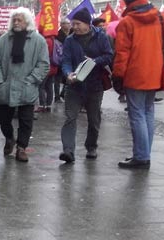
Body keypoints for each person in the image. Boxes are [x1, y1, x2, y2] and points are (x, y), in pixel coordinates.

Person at [0, 7, 49, 162]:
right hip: (5, 87)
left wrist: (32, 80)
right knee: (3, 119)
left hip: (27, 87)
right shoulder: (3, 40)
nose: (16, 22)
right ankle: (9, 138)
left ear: (27, 22)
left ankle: (21, 148)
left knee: (26, 120)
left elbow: (43, 64)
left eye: (19, 20)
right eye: (14, 20)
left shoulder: (38, 41)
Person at [112, 0, 164, 169]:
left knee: (137, 114)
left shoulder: (127, 22)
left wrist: (118, 76)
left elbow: (122, 53)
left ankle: (141, 156)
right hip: (155, 71)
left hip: (135, 73)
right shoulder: (160, 17)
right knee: (148, 112)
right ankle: (144, 153)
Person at [58, 9, 113, 163]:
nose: (74, 27)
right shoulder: (70, 40)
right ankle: (68, 150)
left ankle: (91, 146)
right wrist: (68, 73)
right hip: (74, 86)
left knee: (94, 119)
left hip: (95, 85)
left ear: (87, 24)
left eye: (77, 24)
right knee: (70, 117)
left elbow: (109, 55)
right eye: (72, 24)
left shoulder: (100, 37)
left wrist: (95, 61)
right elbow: (66, 60)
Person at [38, 24, 59, 113]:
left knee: (41, 87)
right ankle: (49, 105)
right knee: (49, 86)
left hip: (46, 67)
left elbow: (42, 54)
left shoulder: (45, 41)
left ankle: (42, 105)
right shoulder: (54, 40)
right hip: (54, 67)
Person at [55, 18, 72, 101]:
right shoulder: (58, 35)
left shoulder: (72, 33)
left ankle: (63, 93)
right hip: (59, 59)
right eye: (66, 23)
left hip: (69, 59)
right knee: (57, 79)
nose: (69, 25)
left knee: (68, 77)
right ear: (61, 25)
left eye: (69, 23)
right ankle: (57, 97)